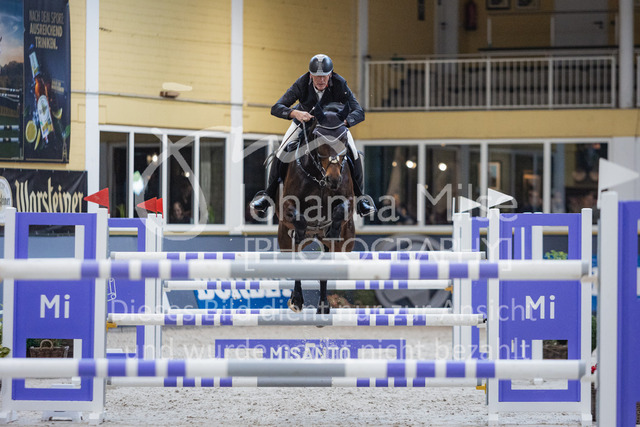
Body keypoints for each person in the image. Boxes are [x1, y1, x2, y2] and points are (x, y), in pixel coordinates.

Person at [249, 54, 377, 217]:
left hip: (333, 128)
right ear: (310, 75)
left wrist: (344, 122)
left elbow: (359, 111)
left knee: (353, 152)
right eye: (317, 76)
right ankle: (267, 195)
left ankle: (361, 199)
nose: (320, 80)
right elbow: (276, 107)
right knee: (281, 151)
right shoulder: (302, 83)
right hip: (305, 124)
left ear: (330, 74)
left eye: (324, 76)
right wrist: (295, 113)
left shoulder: (340, 83)